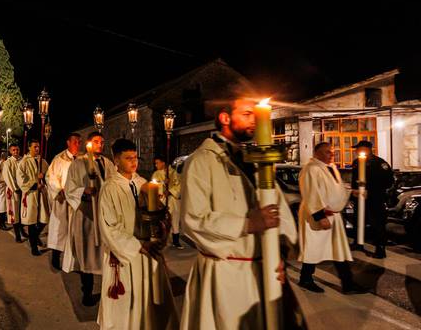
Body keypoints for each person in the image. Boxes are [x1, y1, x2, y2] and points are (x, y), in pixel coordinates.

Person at [179, 98, 297, 329]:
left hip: (265, 268)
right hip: (227, 273)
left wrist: (279, 253)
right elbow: (193, 219)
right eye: (246, 114)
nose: (254, 120)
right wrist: (247, 224)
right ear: (225, 118)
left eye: (256, 114)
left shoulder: (257, 161)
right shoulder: (201, 161)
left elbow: (277, 208)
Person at [97, 138, 178, 329]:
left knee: (151, 306)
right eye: (128, 158)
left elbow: (157, 217)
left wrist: (161, 221)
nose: (134, 162)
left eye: (135, 157)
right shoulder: (109, 188)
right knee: (127, 309)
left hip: (148, 254)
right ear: (116, 160)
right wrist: (138, 245)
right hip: (127, 255)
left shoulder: (143, 183)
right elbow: (109, 227)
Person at [298, 142, 367, 294]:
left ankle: (347, 283)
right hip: (319, 215)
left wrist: (351, 192)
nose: (332, 155)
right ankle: (306, 279)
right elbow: (310, 193)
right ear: (317, 153)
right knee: (313, 249)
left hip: (333, 216)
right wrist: (319, 216)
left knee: (339, 249)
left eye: (332, 152)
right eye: (328, 152)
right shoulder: (311, 169)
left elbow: (336, 188)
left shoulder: (331, 167)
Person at [64, 131, 117, 306]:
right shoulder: (78, 164)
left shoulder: (108, 163)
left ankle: (108, 288)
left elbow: (114, 183)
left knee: (105, 254)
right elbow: (70, 188)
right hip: (86, 216)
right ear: (88, 144)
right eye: (96, 142)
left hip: (103, 215)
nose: (100, 145)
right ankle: (86, 291)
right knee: (87, 254)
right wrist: (84, 192)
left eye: (102, 142)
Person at [350, 140, 394, 258]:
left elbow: (388, 182)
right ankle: (358, 242)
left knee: (377, 224)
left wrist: (371, 191)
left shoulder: (379, 163)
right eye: (356, 149)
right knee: (358, 221)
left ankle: (380, 248)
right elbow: (355, 179)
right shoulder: (356, 162)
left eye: (358, 149)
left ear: (367, 150)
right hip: (359, 198)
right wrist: (354, 192)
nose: (356, 151)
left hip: (375, 199)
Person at [46, 133, 81, 270]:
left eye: (79, 142)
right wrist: (58, 189)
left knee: (75, 231)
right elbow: (50, 177)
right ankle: (56, 255)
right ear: (68, 143)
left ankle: (75, 260)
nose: (78, 144)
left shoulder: (83, 158)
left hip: (78, 201)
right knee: (60, 230)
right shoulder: (59, 159)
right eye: (75, 142)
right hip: (63, 200)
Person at [16, 139, 50, 256]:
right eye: (35, 147)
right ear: (29, 148)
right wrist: (35, 182)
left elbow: (50, 175)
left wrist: (44, 177)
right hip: (31, 194)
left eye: (38, 147)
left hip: (41, 194)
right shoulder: (24, 162)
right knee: (31, 221)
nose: (37, 149)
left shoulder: (42, 161)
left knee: (44, 219)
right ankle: (34, 247)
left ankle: (34, 237)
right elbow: (21, 179)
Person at [152, 155, 184, 249]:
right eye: (155, 163)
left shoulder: (174, 172)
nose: (156, 165)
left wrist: (169, 190)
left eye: (157, 163)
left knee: (175, 219)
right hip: (162, 200)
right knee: (162, 220)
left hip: (173, 199)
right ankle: (162, 240)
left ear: (163, 163)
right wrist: (162, 187)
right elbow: (154, 185)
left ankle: (176, 240)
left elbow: (179, 186)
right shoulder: (156, 174)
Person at [3, 144, 26, 242]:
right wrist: (15, 188)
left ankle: (22, 230)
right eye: (13, 150)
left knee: (23, 212)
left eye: (17, 149)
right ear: (10, 151)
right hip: (14, 190)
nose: (16, 152)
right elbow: (8, 176)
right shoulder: (8, 162)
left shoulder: (24, 160)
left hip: (24, 189)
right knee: (15, 213)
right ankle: (17, 235)